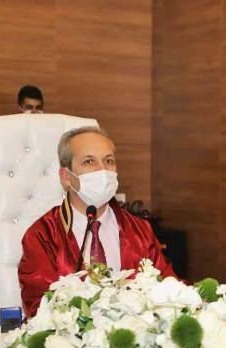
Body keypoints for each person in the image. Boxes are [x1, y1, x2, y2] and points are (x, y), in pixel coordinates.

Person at [18, 126, 176, 317]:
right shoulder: (42, 235)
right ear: (66, 177)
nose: (102, 170)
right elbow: (38, 307)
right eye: (89, 161)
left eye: (109, 161)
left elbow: (169, 288)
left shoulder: (139, 230)